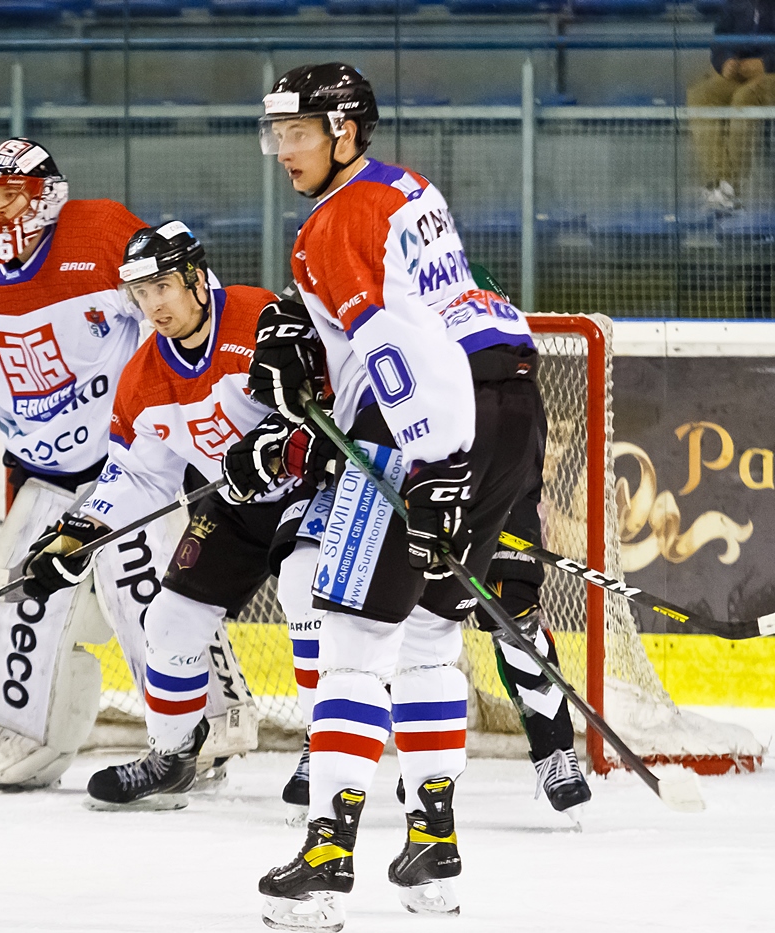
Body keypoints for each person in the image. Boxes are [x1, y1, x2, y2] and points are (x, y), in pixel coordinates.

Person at [0, 138, 257, 793]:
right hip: (43, 475)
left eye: (13, 195)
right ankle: (25, 741)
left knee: (146, 599)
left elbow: (178, 325)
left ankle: (198, 734)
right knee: (18, 608)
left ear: (49, 195)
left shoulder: (103, 233)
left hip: (131, 465)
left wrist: (180, 425)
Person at [245, 63, 547, 925]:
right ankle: (433, 849)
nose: (283, 152)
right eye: (278, 135)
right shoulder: (407, 187)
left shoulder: (330, 226)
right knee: (427, 634)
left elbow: (395, 349)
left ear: (344, 131)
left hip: (425, 422)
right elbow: (431, 317)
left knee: (350, 639)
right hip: (508, 400)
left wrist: (434, 460)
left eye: (298, 134)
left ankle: (328, 855)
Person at [22, 221, 327, 809]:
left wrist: (280, 437)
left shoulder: (257, 316)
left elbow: (321, 393)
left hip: (310, 491)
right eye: (140, 292)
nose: (153, 304)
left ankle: (325, 745)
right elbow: (138, 475)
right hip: (235, 506)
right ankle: (173, 754)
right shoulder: (141, 380)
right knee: (169, 620)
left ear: (194, 277)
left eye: (162, 285)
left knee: (303, 589)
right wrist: (78, 537)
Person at [687, 0, 775, 211]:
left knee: (746, 96)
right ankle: (719, 183)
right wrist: (725, 61)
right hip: (743, 71)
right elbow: (721, 39)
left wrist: (767, 64)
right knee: (702, 95)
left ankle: (730, 189)